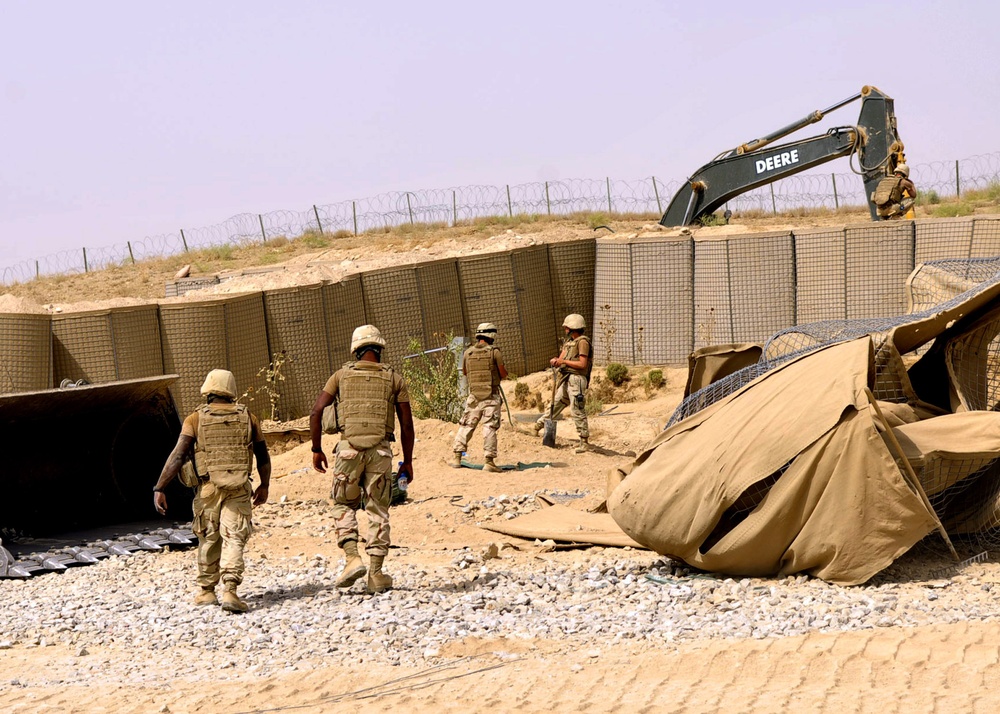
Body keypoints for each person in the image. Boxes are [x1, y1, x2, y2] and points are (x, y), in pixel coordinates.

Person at [153, 369, 270, 613]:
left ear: (207, 391)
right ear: (231, 391)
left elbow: (178, 455)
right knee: (235, 537)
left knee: (208, 537)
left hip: (208, 488)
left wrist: (160, 487)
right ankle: (230, 591)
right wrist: (265, 485)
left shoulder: (195, 419)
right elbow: (262, 455)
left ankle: (207, 592)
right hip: (239, 487)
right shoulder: (249, 417)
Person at [309, 325, 414, 594]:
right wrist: (408, 462)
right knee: (378, 509)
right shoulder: (395, 379)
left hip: (348, 451)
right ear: (379, 349)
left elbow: (317, 411)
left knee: (342, 502)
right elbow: (407, 425)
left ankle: (352, 557)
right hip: (380, 452)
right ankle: (376, 574)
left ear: (356, 350)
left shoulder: (340, 376)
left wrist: (317, 449)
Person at [449, 322, 509, 472]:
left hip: (474, 396)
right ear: (492, 335)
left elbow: (464, 372)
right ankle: (489, 462)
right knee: (489, 427)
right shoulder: (495, 352)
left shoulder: (468, 352)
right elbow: (503, 373)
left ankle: (457, 457)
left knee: (466, 425)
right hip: (491, 396)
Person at [535, 314, 592, 453]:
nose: (565, 330)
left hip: (576, 379)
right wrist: (556, 361)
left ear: (573, 328)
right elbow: (561, 358)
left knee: (577, 409)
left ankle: (584, 441)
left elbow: (582, 364)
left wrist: (564, 362)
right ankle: (537, 426)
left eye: (567, 327)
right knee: (555, 404)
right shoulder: (569, 343)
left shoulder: (582, 342)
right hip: (566, 379)